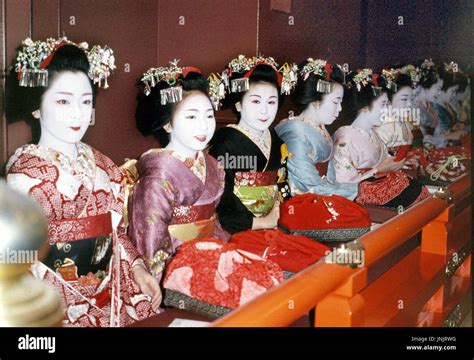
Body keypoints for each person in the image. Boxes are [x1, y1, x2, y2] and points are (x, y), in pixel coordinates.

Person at [6, 37, 160, 327]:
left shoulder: (104, 165)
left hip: (110, 294)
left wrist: (138, 267)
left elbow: (116, 232)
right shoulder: (24, 174)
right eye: (63, 100)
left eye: (86, 101)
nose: (78, 112)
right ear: (36, 106)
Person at [128, 62, 230, 280]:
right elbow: (150, 241)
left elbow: (214, 224)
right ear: (167, 124)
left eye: (209, 115)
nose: (204, 126)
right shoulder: (158, 174)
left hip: (212, 260)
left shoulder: (213, 165)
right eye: (191, 116)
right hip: (174, 273)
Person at [208, 55, 293, 234]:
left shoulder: (274, 138)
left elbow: (282, 185)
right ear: (238, 104)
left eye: (271, 102)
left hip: (276, 223)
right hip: (240, 230)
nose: (265, 110)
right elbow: (223, 206)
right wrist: (261, 222)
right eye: (255, 101)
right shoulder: (226, 143)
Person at [329, 68, 429, 208]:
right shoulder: (344, 139)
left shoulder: (372, 133)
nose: (387, 110)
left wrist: (400, 163)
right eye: (383, 105)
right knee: (405, 187)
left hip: (377, 183)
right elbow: (342, 183)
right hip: (356, 196)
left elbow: (383, 162)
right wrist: (377, 170)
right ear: (364, 107)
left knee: (412, 187)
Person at [275, 58, 357, 199]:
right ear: (316, 101)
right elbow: (309, 184)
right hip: (302, 199)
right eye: (335, 102)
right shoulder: (295, 131)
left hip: (323, 194)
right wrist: (355, 191)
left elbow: (330, 179)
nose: (340, 109)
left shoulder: (320, 129)